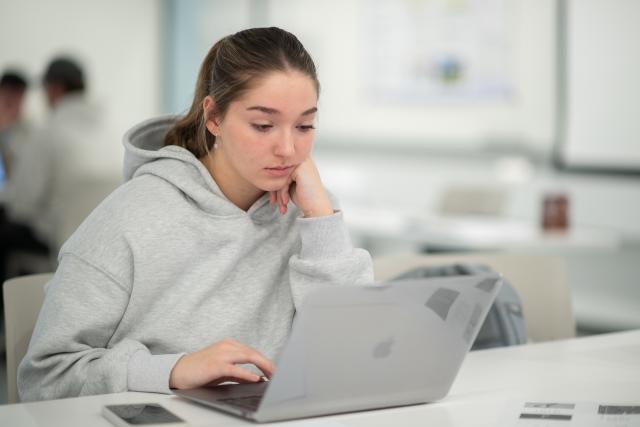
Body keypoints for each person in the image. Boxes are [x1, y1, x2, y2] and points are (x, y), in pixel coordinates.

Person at [18, 27, 374, 401]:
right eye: (263, 125)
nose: (288, 149)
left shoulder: (311, 210)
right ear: (214, 117)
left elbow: (361, 356)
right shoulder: (131, 216)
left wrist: (321, 220)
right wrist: (173, 369)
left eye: (304, 126)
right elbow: (44, 378)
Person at [1, 56, 118, 281]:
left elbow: (22, 204)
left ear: (55, 89)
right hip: (106, 242)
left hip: (61, 241)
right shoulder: (112, 128)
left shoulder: (48, 131)